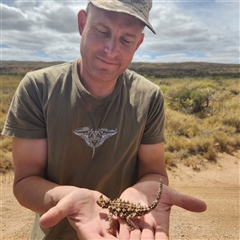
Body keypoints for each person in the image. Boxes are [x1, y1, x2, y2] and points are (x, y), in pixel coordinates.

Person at [2, 0, 207, 239]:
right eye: (102, 31)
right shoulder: (37, 88)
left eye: (126, 39)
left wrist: (147, 190)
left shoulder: (149, 96)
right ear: (82, 23)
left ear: (139, 43)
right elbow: (25, 182)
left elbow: (154, 170)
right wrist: (69, 199)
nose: (111, 50)